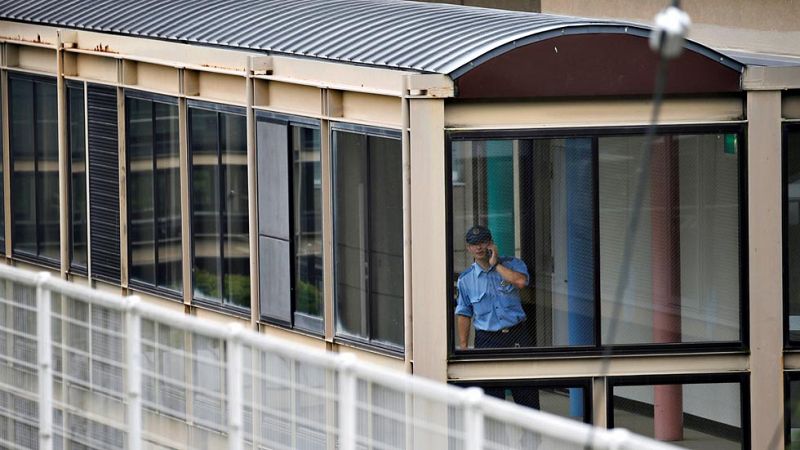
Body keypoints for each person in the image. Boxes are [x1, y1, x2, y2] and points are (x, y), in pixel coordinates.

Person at [456, 225, 539, 410]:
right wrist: (463, 347)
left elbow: (520, 281)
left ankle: (531, 438)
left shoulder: (512, 264)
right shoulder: (466, 279)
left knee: (526, 391)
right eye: (473, 244)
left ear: (491, 244)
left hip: (517, 335)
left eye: (482, 242)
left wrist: (496, 265)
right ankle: (495, 438)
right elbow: (464, 313)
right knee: (492, 396)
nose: (478, 248)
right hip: (487, 339)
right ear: (468, 248)